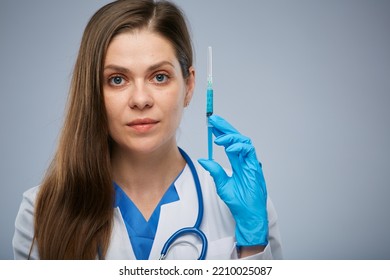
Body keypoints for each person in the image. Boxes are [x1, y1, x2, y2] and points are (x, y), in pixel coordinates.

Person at [12, 0, 283, 260]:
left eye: (159, 77)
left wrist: (253, 246)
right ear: (93, 91)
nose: (140, 100)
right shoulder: (40, 211)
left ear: (189, 86)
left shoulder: (246, 205)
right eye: (117, 79)